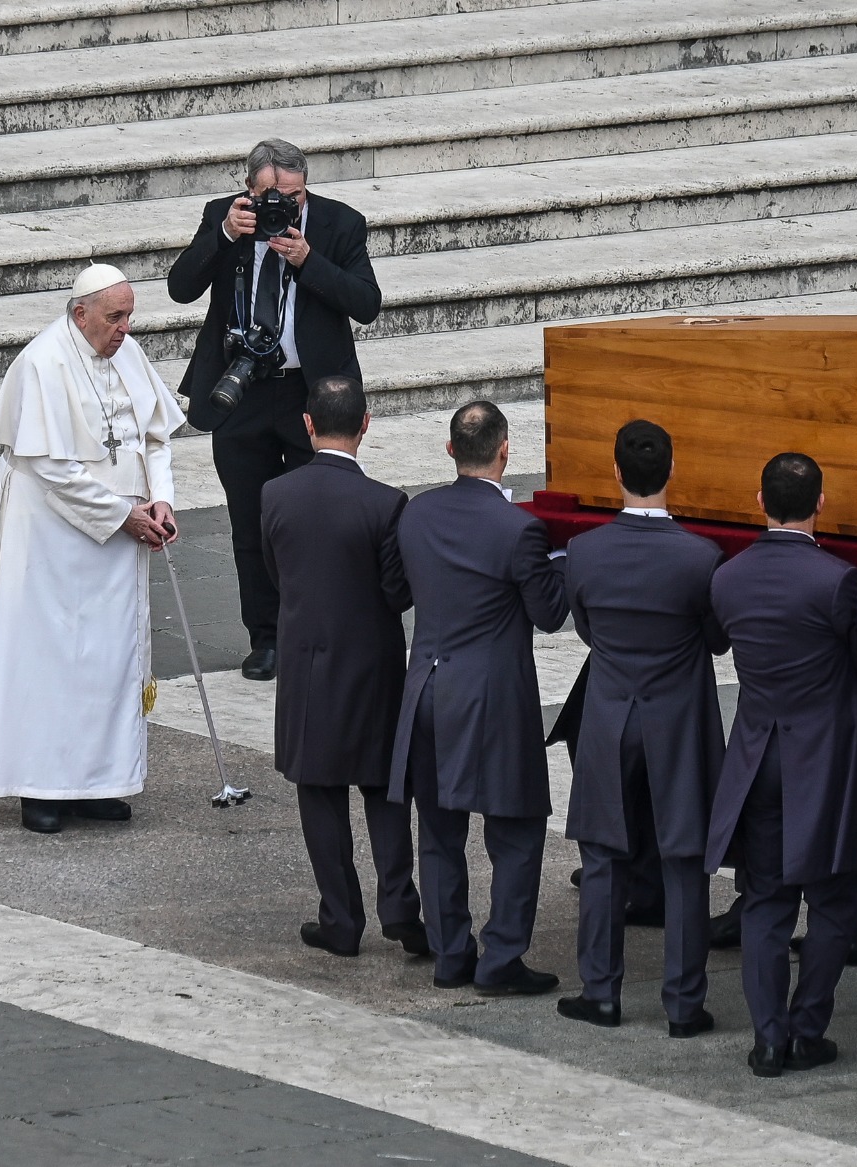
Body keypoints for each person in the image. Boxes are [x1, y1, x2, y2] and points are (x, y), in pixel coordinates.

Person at [0, 264, 184, 834]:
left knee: (107, 655)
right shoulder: (42, 362)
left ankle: (97, 781)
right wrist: (121, 514)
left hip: (118, 529)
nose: (125, 329)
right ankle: (41, 786)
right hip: (50, 533)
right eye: (115, 317)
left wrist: (160, 501)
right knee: (49, 653)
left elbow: (154, 436)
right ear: (80, 313)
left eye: (129, 316)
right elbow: (49, 466)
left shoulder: (127, 354)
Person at [169, 138, 381, 682]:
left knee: (317, 519)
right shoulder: (225, 219)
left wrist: (310, 260)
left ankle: (317, 632)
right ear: (249, 190)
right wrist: (223, 237)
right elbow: (180, 288)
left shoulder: (339, 224)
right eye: (270, 195)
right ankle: (265, 637)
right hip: (239, 390)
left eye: (293, 195)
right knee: (250, 520)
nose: (282, 206)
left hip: (310, 394)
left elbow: (366, 303)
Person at [703, 453, 857, 1078]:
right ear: (821, 504)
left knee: (766, 903)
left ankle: (768, 1038)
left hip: (757, 755)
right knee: (831, 903)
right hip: (823, 759)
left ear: (759, 500)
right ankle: (807, 1028)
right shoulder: (839, 581)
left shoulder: (729, 578)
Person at [387, 401, 568, 995]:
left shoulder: (417, 514)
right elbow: (548, 614)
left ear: (449, 450)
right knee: (515, 827)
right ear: (505, 448)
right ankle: (502, 957)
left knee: (439, 830)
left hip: (428, 690)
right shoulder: (519, 529)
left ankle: (450, 952)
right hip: (492, 694)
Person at [556, 421, 727, 1036]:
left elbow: (585, 627)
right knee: (684, 859)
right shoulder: (699, 557)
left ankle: (600, 991)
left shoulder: (586, 552)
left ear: (617, 472)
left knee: (602, 855)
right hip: (676, 716)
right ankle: (684, 1004)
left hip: (609, 712)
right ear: (671, 471)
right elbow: (716, 640)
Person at [260, 375, 426, 960]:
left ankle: (340, 917)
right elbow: (396, 593)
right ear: (366, 424)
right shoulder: (386, 503)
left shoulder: (275, 495)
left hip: (307, 663)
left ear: (308, 424)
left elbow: (277, 577)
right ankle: (400, 907)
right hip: (374, 664)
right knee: (384, 789)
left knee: (320, 790)